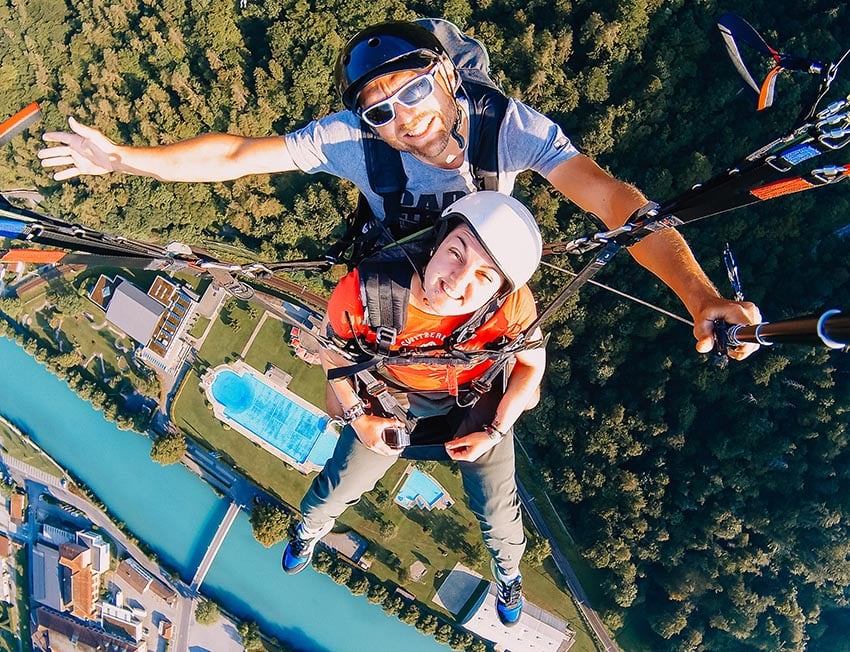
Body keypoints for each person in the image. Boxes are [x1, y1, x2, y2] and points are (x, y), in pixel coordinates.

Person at [38, 19, 761, 357]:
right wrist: (126, 161)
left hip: (472, 271)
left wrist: (699, 297)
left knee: (496, 372)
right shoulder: (355, 141)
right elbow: (237, 153)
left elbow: (614, 202)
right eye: (379, 109)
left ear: (447, 76)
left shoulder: (504, 126)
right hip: (396, 272)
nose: (403, 117)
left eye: (415, 88)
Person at [285, 192, 546, 626]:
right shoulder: (365, 291)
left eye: (484, 278)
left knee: (500, 513)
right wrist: (358, 417)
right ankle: (310, 530)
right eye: (456, 254)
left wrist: (497, 430)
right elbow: (334, 357)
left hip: (473, 403)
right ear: (438, 241)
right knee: (336, 488)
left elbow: (531, 366)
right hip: (391, 402)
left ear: (500, 290)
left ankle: (508, 573)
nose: (457, 282)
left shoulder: (513, 307)